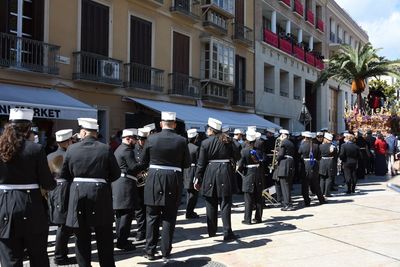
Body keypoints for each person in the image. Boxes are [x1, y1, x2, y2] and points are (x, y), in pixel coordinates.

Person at [60, 118, 121, 267]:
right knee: (104, 237)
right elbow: (116, 174)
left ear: (83, 132)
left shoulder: (71, 149)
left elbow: (64, 174)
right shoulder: (105, 148)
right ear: (95, 133)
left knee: (81, 239)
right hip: (100, 194)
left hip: (78, 194)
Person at [0, 108, 56, 267]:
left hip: (3, 205)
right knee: (38, 256)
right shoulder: (36, 149)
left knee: (10, 258)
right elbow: (47, 183)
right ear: (28, 128)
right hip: (31, 205)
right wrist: (53, 183)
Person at [140, 112, 190, 261]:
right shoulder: (181, 140)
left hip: (154, 177)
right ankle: (166, 252)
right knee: (169, 217)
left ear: (161, 124)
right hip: (173, 179)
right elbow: (187, 163)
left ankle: (150, 251)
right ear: (174, 124)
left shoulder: (151, 138)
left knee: (152, 216)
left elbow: (143, 161)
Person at [194, 118, 240, 241]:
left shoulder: (205, 143)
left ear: (211, 130)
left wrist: (197, 178)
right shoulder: (227, 141)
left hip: (210, 172)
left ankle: (212, 231)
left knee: (210, 203)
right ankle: (227, 232)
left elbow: (201, 163)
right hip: (225, 172)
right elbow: (237, 155)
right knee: (225, 204)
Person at [112, 128, 146, 251]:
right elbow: (134, 168)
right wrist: (144, 163)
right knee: (127, 214)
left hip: (119, 184)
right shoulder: (126, 150)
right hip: (125, 184)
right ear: (127, 138)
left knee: (120, 214)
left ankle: (120, 238)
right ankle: (123, 242)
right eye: (134, 139)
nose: (136, 141)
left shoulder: (119, 149)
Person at [47, 129, 76, 265]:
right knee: (64, 226)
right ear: (67, 142)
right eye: (72, 140)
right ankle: (59, 256)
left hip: (54, 191)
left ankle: (60, 255)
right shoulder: (70, 155)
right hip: (66, 190)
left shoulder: (49, 155)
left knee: (62, 224)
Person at [237, 130, 264, 224]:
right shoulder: (259, 150)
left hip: (248, 174)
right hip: (258, 174)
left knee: (248, 198)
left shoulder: (244, 151)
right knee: (259, 198)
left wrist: (240, 170)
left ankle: (247, 219)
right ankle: (258, 218)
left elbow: (240, 165)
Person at [133, 127, 151, 242]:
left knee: (149, 208)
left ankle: (149, 231)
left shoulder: (149, 148)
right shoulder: (133, 149)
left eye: (144, 139)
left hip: (148, 181)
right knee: (139, 209)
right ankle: (141, 231)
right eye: (140, 139)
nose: (141, 142)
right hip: (138, 181)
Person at [299, 132, 325, 206]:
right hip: (314, 165)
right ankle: (321, 199)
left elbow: (299, 154)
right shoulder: (316, 145)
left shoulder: (302, 145)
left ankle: (307, 201)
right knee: (316, 183)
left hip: (305, 165)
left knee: (305, 184)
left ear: (305, 137)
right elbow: (319, 157)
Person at [274, 129, 296, 211]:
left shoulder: (283, 143)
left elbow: (281, 154)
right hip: (290, 164)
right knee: (288, 185)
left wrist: (277, 158)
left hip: (284, 165)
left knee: (284, 185)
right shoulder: (291, 143)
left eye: (281, 135)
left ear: (283, 135)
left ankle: (287, 204)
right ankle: (288, 202)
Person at [184, 129, 200, 219]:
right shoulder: (196, 148)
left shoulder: (185, 146)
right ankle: (190, 212)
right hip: (193, 170)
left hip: (186, 170)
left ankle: (188, 210)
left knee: (188, 192)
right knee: (194, 193)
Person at [319, 133, 337, 197]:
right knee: (329, 178)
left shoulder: (320, 146)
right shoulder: (333, 146)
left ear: (326, 139)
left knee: (322, 178)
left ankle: (321, 192)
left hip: (322, 162)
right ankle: (327, 193)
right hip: (330, 162)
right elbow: (336, 156)